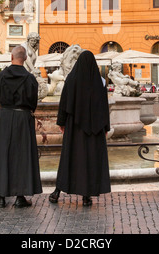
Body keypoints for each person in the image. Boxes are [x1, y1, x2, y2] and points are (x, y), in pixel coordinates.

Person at [49, 50, 111, 206]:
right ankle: (86, 196)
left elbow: (64, 103)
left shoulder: (72, 79)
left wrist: (61, 123)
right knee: (90, 160)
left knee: (69, 159)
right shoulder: (101, 81)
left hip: (75, 127)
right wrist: (105, 127)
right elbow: (104, 107)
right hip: (95, 129)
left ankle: (57, 192)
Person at [0, 45, 42, 208]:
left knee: (2, 154)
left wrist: (4, 112)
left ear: (11, 57)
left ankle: (1, 196)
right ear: (25, 59)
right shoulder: (30, 78)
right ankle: (20, 196)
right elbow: (33, 101)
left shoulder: (1, 77)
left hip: (5, 116)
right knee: (22, 155)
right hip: (23, 117)